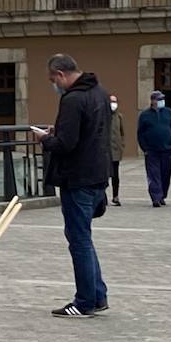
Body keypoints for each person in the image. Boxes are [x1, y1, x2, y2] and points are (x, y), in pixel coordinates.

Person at [34, 55, 110, 319]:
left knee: (79, 240)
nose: (53, 84)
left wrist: (46, 139)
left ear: (60, 74)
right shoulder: (99, 93)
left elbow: (67, 144)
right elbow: (91, 132)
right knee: (84, 238)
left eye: (52, 79)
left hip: (77, 178)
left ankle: (85, 300)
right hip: (97, 175)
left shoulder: (73, 99)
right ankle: (97, 295)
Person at [137, 90, 171, 208]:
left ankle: (162, 195)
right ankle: (156, 197)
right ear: (153, 101)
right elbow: (140, 133)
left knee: (165, 174)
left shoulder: (169, 113)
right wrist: (145, 148)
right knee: (154, 174)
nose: (161, 101)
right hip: (152, 150)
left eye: (162, 99)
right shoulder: (145, 115)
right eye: (158, 99)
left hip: (167, 149)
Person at [107, 93, 124, 206]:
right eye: (112, 102)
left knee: (115, 176)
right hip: (104, 151)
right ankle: (102, 197)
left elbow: (122, 133)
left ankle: (115, 196)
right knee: (103, 175)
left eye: (115, 102)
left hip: (116, 151)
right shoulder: (102, 116)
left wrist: (121, 145)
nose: (114, 104)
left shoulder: (119, 117)